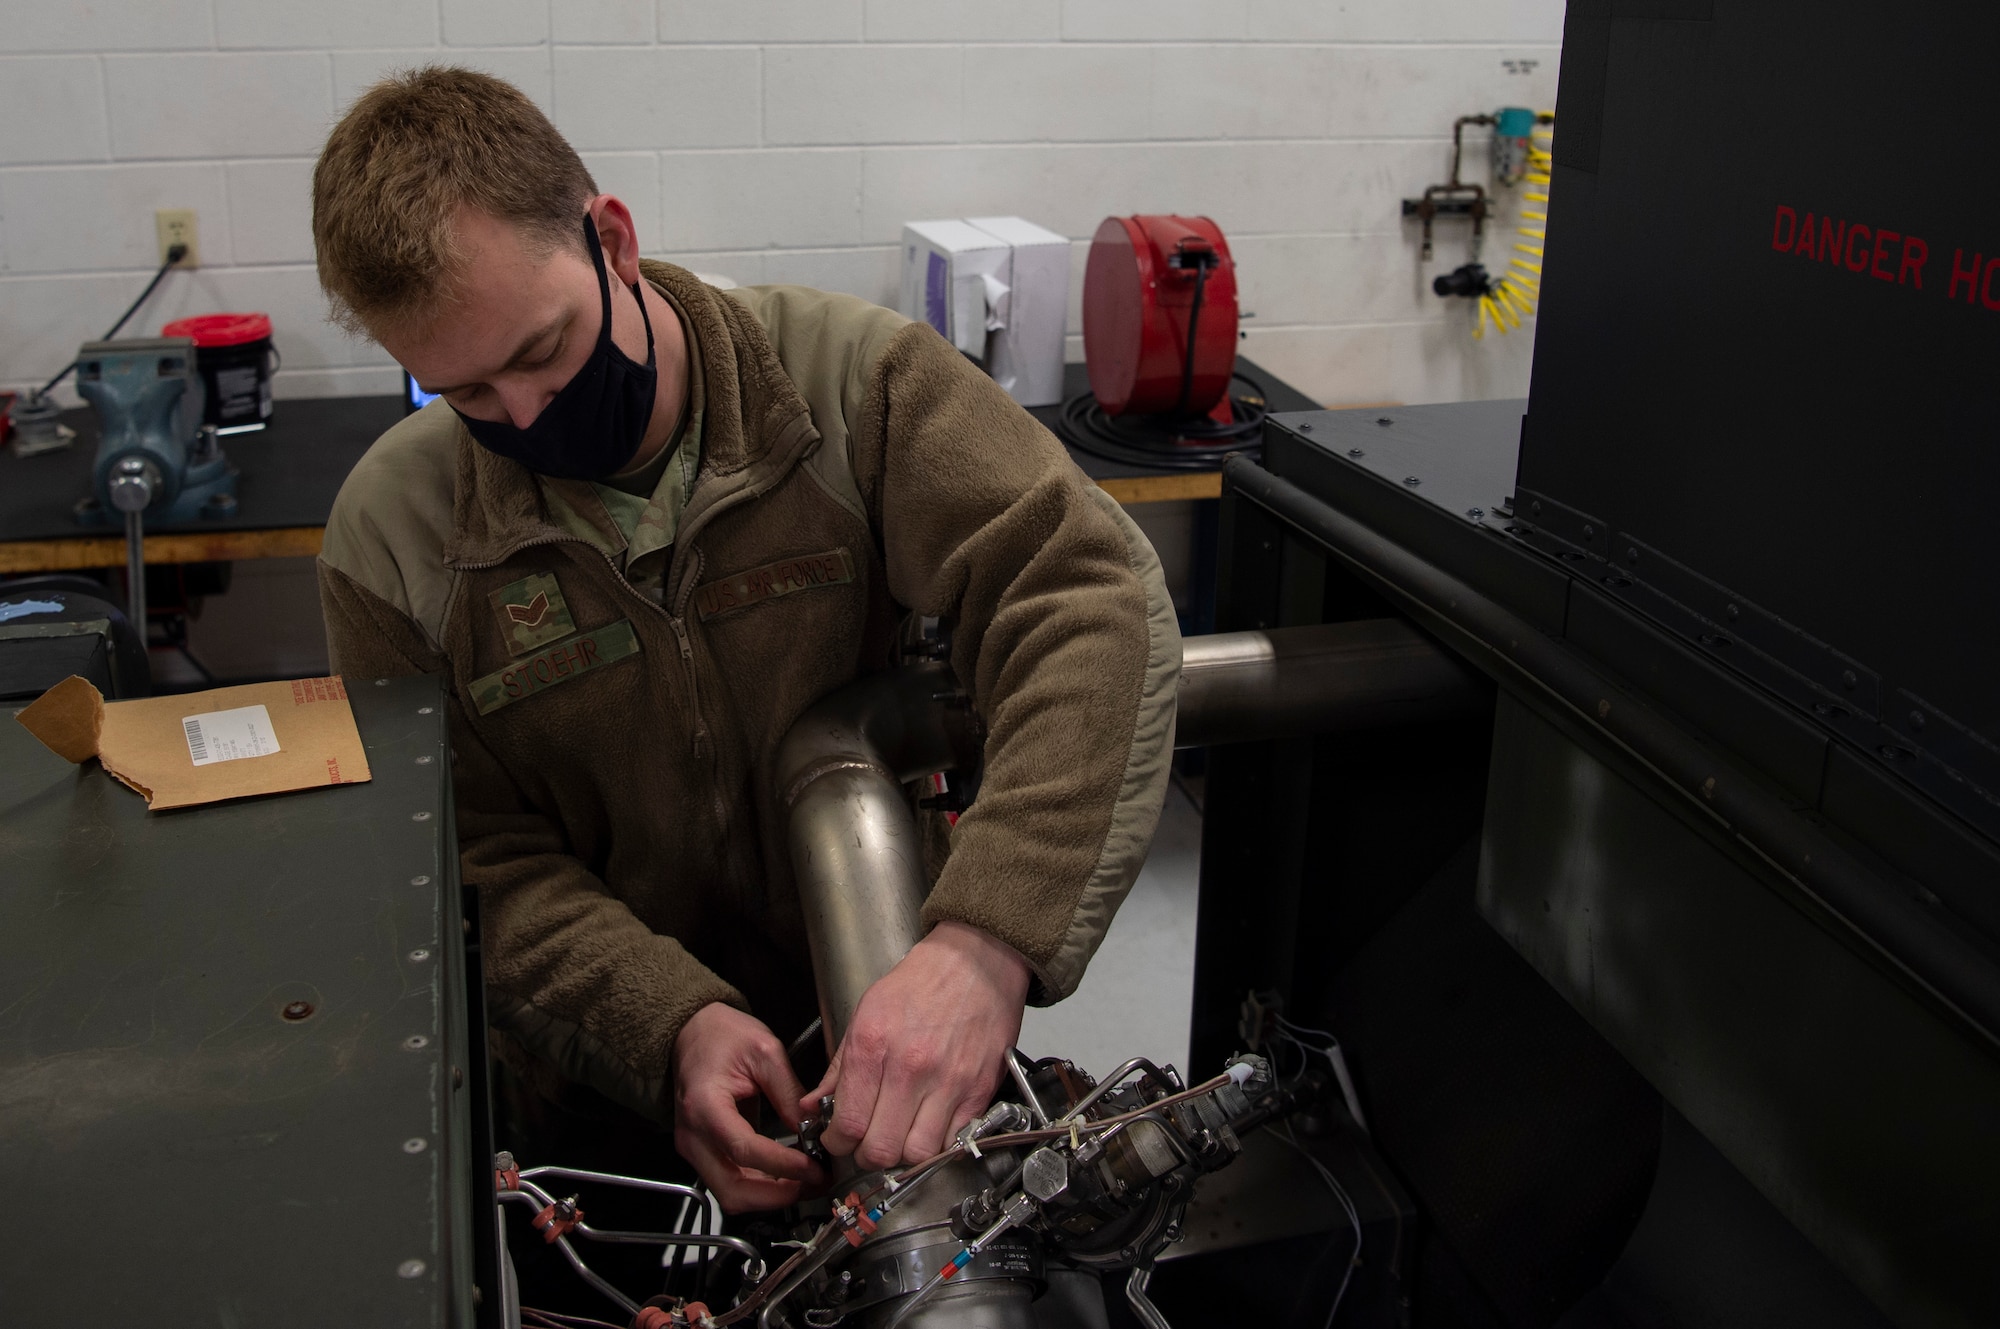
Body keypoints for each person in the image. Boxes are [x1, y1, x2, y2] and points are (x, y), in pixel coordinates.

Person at [311, 67, 1177, 1211]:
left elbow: (1088, 601)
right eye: (462, 388)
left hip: (884, 998)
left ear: (611, 239)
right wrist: (663, 1024)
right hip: (593, 1097)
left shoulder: (853, 387)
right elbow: (469, 850)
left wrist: (982, 942)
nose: (521, 418)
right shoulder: (391, 540)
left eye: (541, 350)